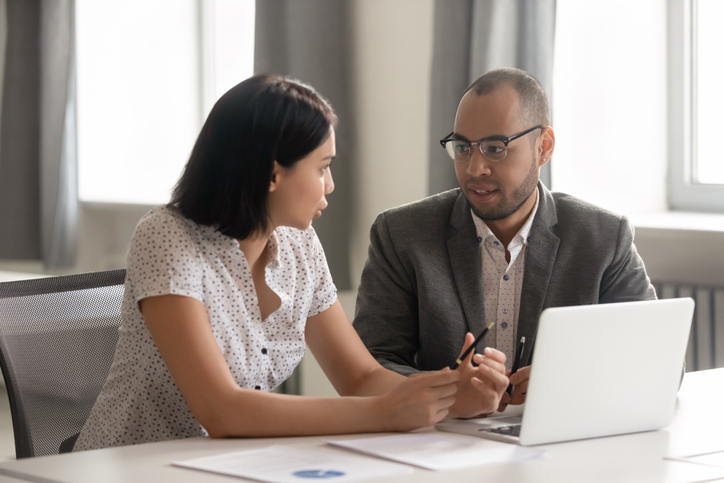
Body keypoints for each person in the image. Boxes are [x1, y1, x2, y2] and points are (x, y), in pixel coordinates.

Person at [73, 74, 513, 451]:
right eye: (322, 167)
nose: (331, 184)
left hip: (229, 467)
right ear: (271, 172)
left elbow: (359, 378)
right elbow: (222, 410)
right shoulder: (167, 236)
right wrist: (381, 414)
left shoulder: (300, 245)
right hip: (131, 467)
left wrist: (449, 395)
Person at [353, 67, 656, 417]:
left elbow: (656, 361)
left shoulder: (603, 238)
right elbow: (371, 362)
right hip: (441, 446)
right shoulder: (401, 234)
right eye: (463, 147)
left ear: (543, 147)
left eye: (496, 148)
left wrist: (571, 382)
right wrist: (450, 392)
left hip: (559, 444)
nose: (474, 168)